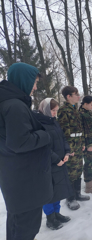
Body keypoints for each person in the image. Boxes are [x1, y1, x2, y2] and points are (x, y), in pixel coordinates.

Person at [0, 62, 53, 240]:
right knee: (24, 231)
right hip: (25, 182)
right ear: (23, 80)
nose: (35, 87)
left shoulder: (10, 102)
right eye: (34, 82)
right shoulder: (14, 106)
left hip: (19, 179)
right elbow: (20, 143)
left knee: (20, 228)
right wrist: (45, 135)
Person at [33, 98, 73, 230]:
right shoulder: (38, 123)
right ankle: (50, 219)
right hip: (48, 164)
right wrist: (56, 159)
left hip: (60, 162)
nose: (55, 113)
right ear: (45, 109)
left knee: (59, 189)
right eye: (52, 110)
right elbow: (41, 147)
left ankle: (57, 213)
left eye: (56, 110)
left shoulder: (54, 122)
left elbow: (62, 138)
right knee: (49, 192)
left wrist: (67, 152)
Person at [58, 86, 90, 210]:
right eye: (75, 94)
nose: (78, 96)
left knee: (78, 169)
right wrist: (68, 149)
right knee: (70, 172)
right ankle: (70, 198)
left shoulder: (75, 110)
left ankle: (77, 194)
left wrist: (81, 143)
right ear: (68, 97)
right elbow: (64, 132)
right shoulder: (63, 110)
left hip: (77, 145)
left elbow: (79, 129)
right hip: (70, 147)